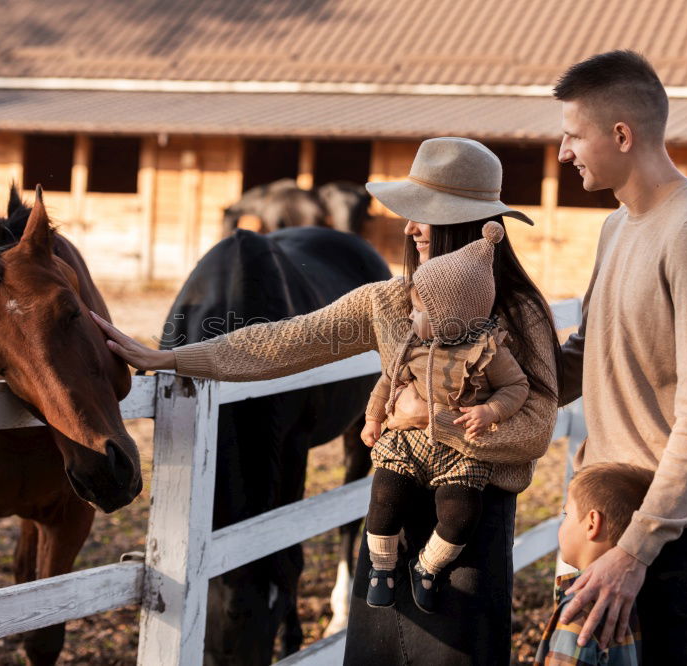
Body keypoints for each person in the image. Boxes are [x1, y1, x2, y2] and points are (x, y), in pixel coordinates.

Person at [92, 136, 561, 664]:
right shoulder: (389, 301)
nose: (409, 227)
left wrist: (429, 419)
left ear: (465, 224)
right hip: (391, 518)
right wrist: (171, 358)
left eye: (423, 214)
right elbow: (280, 342)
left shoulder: (521, 314)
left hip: (468, 529)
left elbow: (536, 429)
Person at [554, 50, 687, 664]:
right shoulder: (617, 226)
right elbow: (582, 358)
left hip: (667, 536)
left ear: (620, 134)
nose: (564, 152)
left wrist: (635, 552)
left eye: (573, 135)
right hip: (604, 522)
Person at [361, 221, 530, 613]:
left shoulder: (490, 351)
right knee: (383, 498)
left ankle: (429, 566)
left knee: (460, 513)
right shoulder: (413, 344)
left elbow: (517, 389)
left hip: (460, 455)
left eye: (420, 310)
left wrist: (491, 410)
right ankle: (382, 567)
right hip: (408, 445)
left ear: (452, 316)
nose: (411, 316)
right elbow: (387, 383)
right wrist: (373, 419)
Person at [534, 462, 653, 665]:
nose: (562, 523)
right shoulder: (629, 599)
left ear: (592, 523)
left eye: (566, 514)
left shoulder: (579, 610)